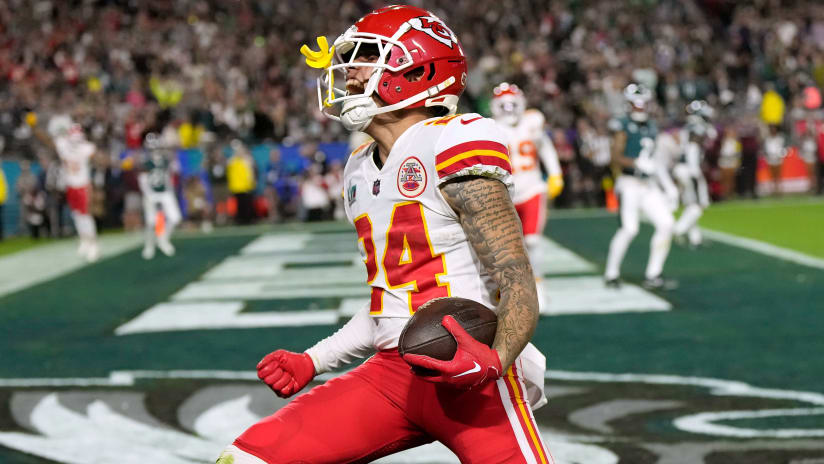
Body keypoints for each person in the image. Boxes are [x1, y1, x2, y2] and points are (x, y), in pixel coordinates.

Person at [218, 6, 550, 464]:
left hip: (472, 371)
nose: (349, 73)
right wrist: (313, 359)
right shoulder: (358, 169)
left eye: (365, 58)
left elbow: (514, 275)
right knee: (246, 458)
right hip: (392, 376)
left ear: (418, 67)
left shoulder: (452, 140)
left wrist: (495, 360)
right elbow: (390, 304)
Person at [604, 84, 677, 290]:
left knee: (666, 223)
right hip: (628, 182)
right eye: (636, 104)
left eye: (644, 103)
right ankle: (611, 273)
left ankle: (653, 273)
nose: (640, 107)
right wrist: (635, 163)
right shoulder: (622, 125)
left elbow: (656, 162)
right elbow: (615, 157)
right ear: (629, 104)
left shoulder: (652, 126)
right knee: (629, 229)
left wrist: (668, 186)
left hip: (648, 183)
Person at [490, 82, 563, 274]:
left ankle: (537, 282)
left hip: (532, 187)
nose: (509, 110)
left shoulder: (532, 122)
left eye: (512, 104)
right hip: (504, 193)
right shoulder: (491, 128)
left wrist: (555, 174)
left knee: (532, 240)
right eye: (504, 105)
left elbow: (545, 147)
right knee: (504, 245)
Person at [27, 112, 100, 261]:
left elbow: (98, 156)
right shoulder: (64, 144)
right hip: (71, 185)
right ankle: (85, 240)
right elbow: (47, 140)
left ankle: (94, 244)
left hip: (83, 186)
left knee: (85, 216)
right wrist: (34, 127)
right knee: (77, 216)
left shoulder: (86, 148)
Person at [672, 100, 715, 248]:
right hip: (689, 168)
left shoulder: (687, 126)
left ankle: (695, 238)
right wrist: (694, 171)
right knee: (699, 204)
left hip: (681, 168)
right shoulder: (698, 127)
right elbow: (692, 148)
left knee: (691, 204)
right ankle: (677, 230)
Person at [138, 133, 181, 259]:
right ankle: (149, 245)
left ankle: (162, 240)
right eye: (152, 148)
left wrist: (170, 192)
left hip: (165, 192)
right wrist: (149, 195)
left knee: (174, 218)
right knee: (152, 222)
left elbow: (169, 177)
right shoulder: (146, 162)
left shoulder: (166, 160)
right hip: (151, 193)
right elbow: (143, 180)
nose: (155, 150)